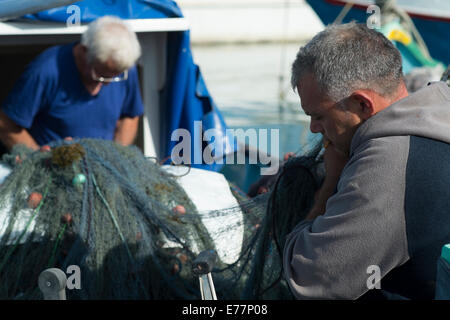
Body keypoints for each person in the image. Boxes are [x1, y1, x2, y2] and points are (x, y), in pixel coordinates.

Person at [283, 22, 450, 300]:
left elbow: (310, 278)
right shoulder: (440, 107)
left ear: (362, 104)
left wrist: (330, 184)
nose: (313, 128)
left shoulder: (388, 164)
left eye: (319, 116)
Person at [0, 16, 144, 151]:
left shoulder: (122, 69)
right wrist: (38, 157)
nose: (107, 84)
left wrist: (117, 157)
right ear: (83, 52)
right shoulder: (45, 71)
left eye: (114, 77)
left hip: (102, 168)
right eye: (100, 75)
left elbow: (130, 116)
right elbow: (5, 125)